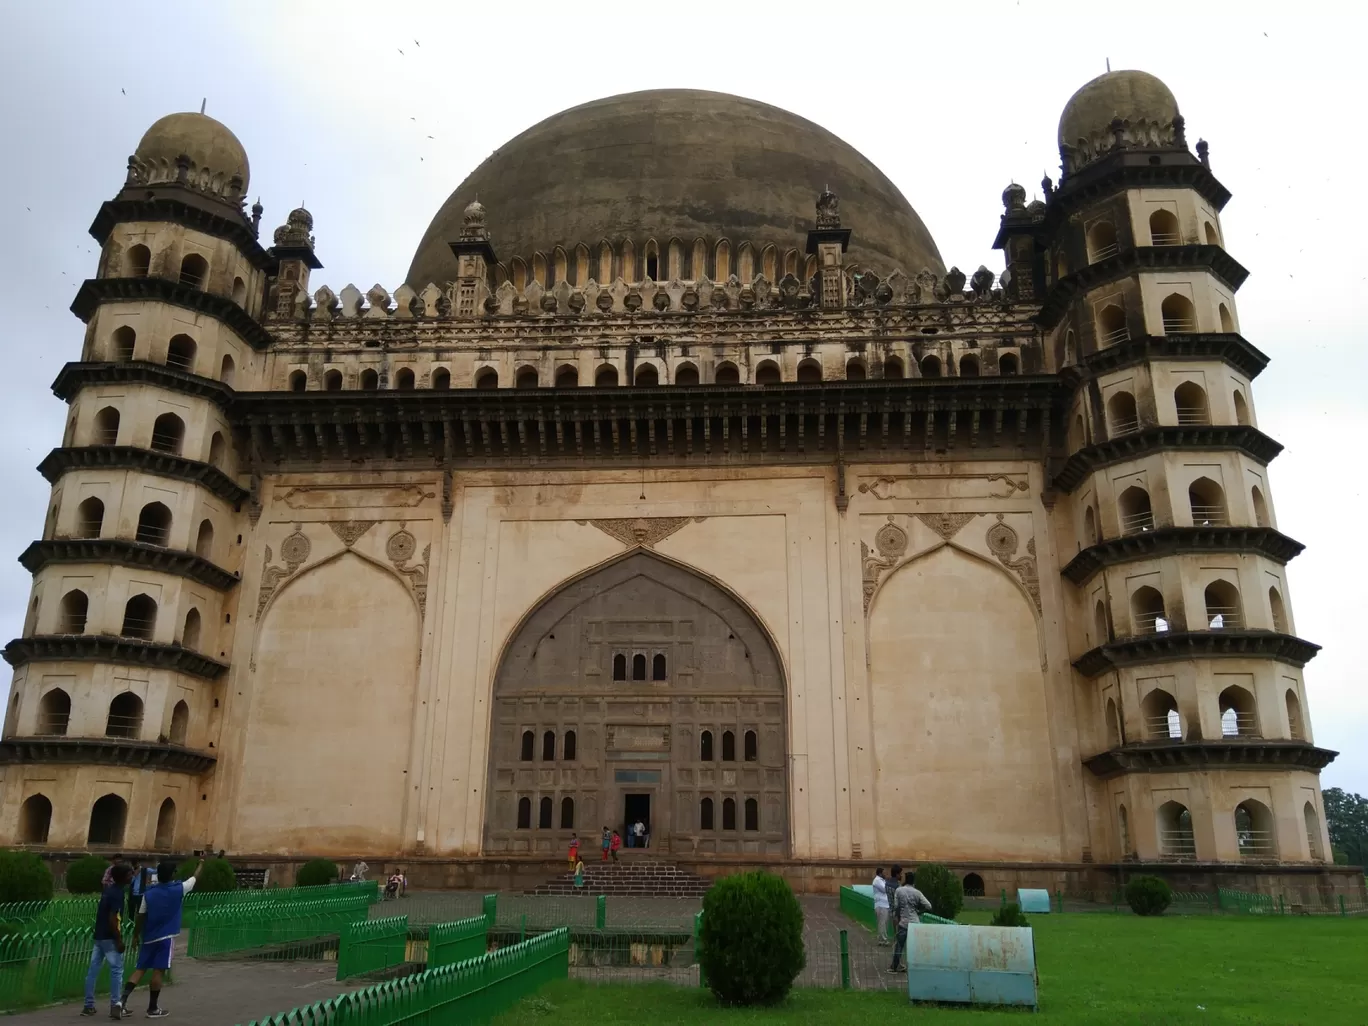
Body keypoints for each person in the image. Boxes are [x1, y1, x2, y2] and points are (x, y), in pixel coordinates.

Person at [121, 858, 202, 1018]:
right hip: (166, 937)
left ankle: (121, 1002)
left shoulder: (149, 893)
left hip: (149, 936)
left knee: (140, 969)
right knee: (158, 971)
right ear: (172, 874)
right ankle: (152, 1008)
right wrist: (202, 862)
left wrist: (136, 935)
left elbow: (141, 916)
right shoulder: (179, 888)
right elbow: (195, 877)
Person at [81, 863, 131, 1019]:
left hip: (99, 936)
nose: (132, 876)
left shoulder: (108, 891)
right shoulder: (117, 894)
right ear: (123, 877)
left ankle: (88, 1006)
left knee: (93, 970)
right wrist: (119, 939)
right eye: (129, 874)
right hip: (110, 937)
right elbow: (113, 918)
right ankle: (116, 1005)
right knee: (117, 971)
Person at [887, 869, 932, 974]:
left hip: (904, 922)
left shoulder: (899, 890)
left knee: (899, 945)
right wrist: (919, 912)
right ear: (914, 881)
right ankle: (918, 966)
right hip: (915, 923)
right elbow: (929, 906)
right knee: (917, 946)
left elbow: (897, 906)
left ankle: (894, 966)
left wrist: (898, 916)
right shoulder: (917, 892)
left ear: (906, 880)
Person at [871, 867, 890, 946]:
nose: (886, 874)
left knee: (883, 923)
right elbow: (885, 889)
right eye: (884, 873)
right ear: (880, 873)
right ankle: (884, 940)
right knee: (882, 923)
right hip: (881, 904)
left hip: (884, 904)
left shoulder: (882, 880)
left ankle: (881, 940)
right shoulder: (877, 880)